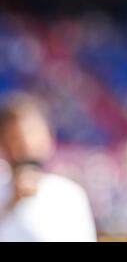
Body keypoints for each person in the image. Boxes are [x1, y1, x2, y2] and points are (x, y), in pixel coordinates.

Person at [0, 93, 97, 242]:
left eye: (34, 135)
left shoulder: (70, 194)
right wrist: (12, 203)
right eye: (16, 138)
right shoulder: (3, 192)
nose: (26, 145)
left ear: (49, 138)